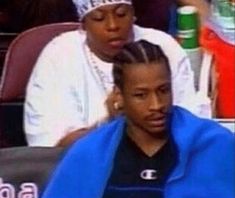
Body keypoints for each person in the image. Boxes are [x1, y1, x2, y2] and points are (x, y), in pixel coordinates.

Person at [39, 40, 235, 198]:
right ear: (119, 96)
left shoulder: (215, 145)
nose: (156, 105)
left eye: (163, 90)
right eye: (141, 95)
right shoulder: (89, 153)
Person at [24, 0, 204, 147]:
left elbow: (192, 124)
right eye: (99, 18)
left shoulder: (162, 47)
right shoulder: (59, 56)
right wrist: (110, 123)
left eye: (121, 14)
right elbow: (53, 149)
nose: (113, 25)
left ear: (133, 14)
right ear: (83, 24)